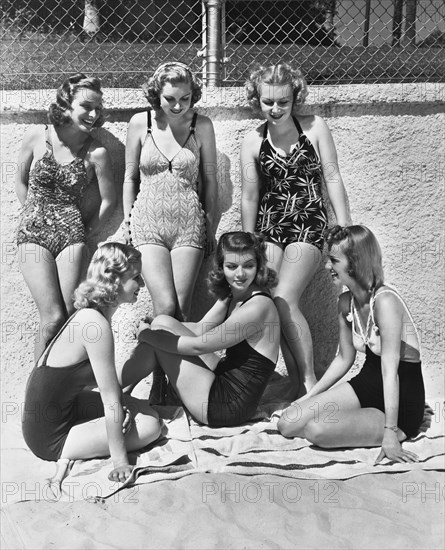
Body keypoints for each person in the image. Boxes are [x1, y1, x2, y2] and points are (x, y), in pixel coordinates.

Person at [241, 62, 349, 399]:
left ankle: (308, 382)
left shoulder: (315, 128)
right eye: (268, 102)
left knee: (286, 296)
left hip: (308, 225)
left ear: (295, 98)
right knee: (272, 300)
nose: (275, 109)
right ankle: (290, 381)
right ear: (256, 100)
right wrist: (249, 245)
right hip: (270, 227)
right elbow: (249, 195)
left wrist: (345, 229)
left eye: (283, 102)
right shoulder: (253, 140)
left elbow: (332, 177)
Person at [278, 225, 425, 464]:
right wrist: (309, 398)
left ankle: (378, 425)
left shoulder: (385, 302)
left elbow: (390, 372)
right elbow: (344, 359)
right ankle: (353, 419)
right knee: (288, 422)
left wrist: (390, 432)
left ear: (355, 263)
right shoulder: (346, 302)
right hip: (366, 383)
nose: (327, 267)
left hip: (400, 397)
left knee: (317, 430)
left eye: (334, 260)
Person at [22, 242, 161, 488]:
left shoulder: (90, 316)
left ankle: (93, 432)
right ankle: (74, 449)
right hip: (49, 437)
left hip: (53, 413)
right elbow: (110, 399)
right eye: (136, 278)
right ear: (115, 279)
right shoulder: (95, 325)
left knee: (136, 407)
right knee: (150, 425)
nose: (142, 285)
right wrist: (120, 462)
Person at [119, 232, 280, 427]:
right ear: (221, 266)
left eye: (248, 266)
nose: (240, 274)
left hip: (226, 405)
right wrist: (156, 327)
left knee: (157, 341)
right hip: (222, 376)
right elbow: (200, 329)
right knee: (163, 322)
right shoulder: (234, 294)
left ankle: (114, 392)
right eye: (231, 266)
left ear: (258, 266)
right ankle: (142, 392)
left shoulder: (258, 306)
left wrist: (146, 335)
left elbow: (197, 346)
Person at [16, 73, 116, 360]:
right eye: (86, 106)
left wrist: (86, 230)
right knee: (52, 318)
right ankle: (36, 397)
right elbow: (20, 180)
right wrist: (32, 213)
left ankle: (57, 388)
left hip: (72, 235)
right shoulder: (38, 136)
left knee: (71, 314)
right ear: (66, 104)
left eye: (97, 107)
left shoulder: (97, 152)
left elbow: (109, 200)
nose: (93, 114)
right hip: (33, 233)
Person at [123, 62, 218, 321]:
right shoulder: (140, 123)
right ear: (157, 94)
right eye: (170, 99)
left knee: (182, 312)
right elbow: (130, 178)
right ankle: (154, 357)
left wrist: (210, 226)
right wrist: (128, 222)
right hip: (147, 222)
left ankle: (169, 361)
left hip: (188, 224)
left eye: (185, 99)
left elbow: (210, 181)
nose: (178, 106)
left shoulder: (202, 126)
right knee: (164, 307)